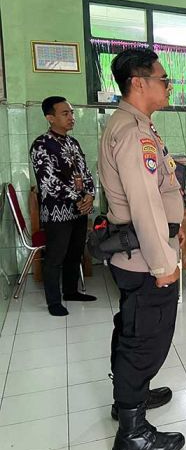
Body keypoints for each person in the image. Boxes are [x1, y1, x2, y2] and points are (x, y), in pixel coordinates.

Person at [99, 48, 185, 450]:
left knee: (133, 329)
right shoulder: (134, 132)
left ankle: (129, 398)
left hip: (136, 253)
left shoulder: (136, 125)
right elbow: (145, 203)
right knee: (145, 339)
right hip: (145, 257)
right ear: (138, 82)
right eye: (163, 78)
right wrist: (163, 264)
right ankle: (132, 433)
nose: (168, 85)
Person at [30, 96, 97, 316]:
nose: (71, 117)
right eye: (65, 113)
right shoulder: (41, 145)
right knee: (55, 257)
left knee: (75, 252)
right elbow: (48, 182)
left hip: (79, 210)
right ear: (50, 118)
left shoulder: (72, 143)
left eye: (72, 113)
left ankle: (71, 291)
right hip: (57, 213)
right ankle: (53, 301)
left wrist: (90, 194)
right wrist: (75, 198)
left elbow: (85, 173)